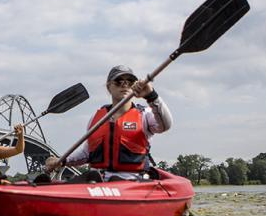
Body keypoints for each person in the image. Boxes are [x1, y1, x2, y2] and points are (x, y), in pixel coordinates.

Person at [44, 64, 172, 182]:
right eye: (118, 81)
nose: (124, 85)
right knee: (52, 180)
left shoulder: (146, 114)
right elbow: (86, 153)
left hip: (131, 182)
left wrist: (151, 96)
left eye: (130, 82)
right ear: (109, 86)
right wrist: (63, 160)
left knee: (113, 180)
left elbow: (165, 125)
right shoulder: (97, 117)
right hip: (97, 181)